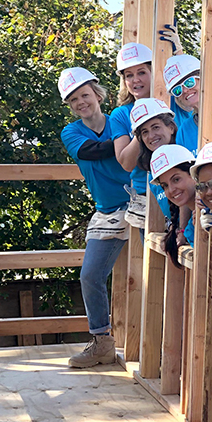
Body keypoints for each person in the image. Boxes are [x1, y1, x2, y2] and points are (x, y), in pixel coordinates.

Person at [58, 67, 130, 368]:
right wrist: (129, 142)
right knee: (90, 275)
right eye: (73, 100)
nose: (81, 103)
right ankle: (102, 342)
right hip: (109, 211)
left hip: (140, 204)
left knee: (154, 277)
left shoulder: (118, 120)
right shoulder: (71, 132)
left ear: (97, 95)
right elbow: (93, 151)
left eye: (84, 95)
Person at [111, 43, 154, 229]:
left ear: (153, 72)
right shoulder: (121, 115)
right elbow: (126, 163)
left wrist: (177, 52)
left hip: (179, 188)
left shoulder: (171, 102)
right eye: (129, 75)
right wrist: (142, 126)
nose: (136, 80)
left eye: (142, 72)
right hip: (145, 197)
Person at [129, 97, 180, 222]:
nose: (151, 136)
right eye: (145, 132)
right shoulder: (152, 173)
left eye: (156, 127)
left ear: (171, 128)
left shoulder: (185, 161)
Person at [149, 144, 197, 265]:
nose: (171, 190)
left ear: (193, 174)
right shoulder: (190, 228)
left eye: (176, 179)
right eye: (165, 185)